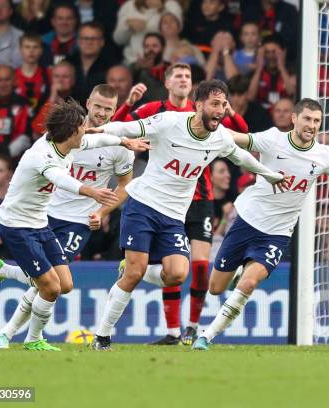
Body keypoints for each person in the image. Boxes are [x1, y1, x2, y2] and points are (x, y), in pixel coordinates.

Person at [191, 98, 329, 350]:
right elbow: (236, 137)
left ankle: (206, 336)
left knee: (249, 284)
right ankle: (233, 278)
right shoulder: (273, 139)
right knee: (216, 288)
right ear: (294, 119)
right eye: (307, 119)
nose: (311, 125)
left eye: (317, 121)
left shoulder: (323, 155)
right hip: (246, 221)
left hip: (277, 233)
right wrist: (201, 123)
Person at [90, 79, 286, 351]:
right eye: (214, 104)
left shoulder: (219, 138)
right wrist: (97, 130)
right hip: (143, 204)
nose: (220, 110)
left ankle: (132, 269)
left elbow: (242, 157)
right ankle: (103, 335)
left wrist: (270, 174)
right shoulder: (170, 122)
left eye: (223, 105)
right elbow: (128, 127)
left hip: (173, 216)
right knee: (135, 273)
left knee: (177, 274)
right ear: (199, 104)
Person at [0, 98, 148, 351]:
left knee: (66, 285)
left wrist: (123, 141)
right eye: (82, 126)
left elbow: (95, 139)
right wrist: (91, 192)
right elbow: (59, 178)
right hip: (17, 225)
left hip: (40, 223)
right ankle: (33, 339)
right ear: (72, 131)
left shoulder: (69, 144)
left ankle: (5, 271)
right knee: (50, 287)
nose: (86, 130)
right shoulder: (41, 155)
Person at [113, 63, 250, 345]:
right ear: (167, 83)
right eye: (178, 76)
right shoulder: (157, 111)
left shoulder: (209, 110)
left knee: (199, 267)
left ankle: (191, 326)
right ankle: (173, 331)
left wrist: (227, 106)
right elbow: (123, 126)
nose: (184, 80)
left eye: (188, 76)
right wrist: (127, 105)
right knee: (170, 264)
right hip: (161, 200)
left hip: (200, 200)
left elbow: (242, 133)